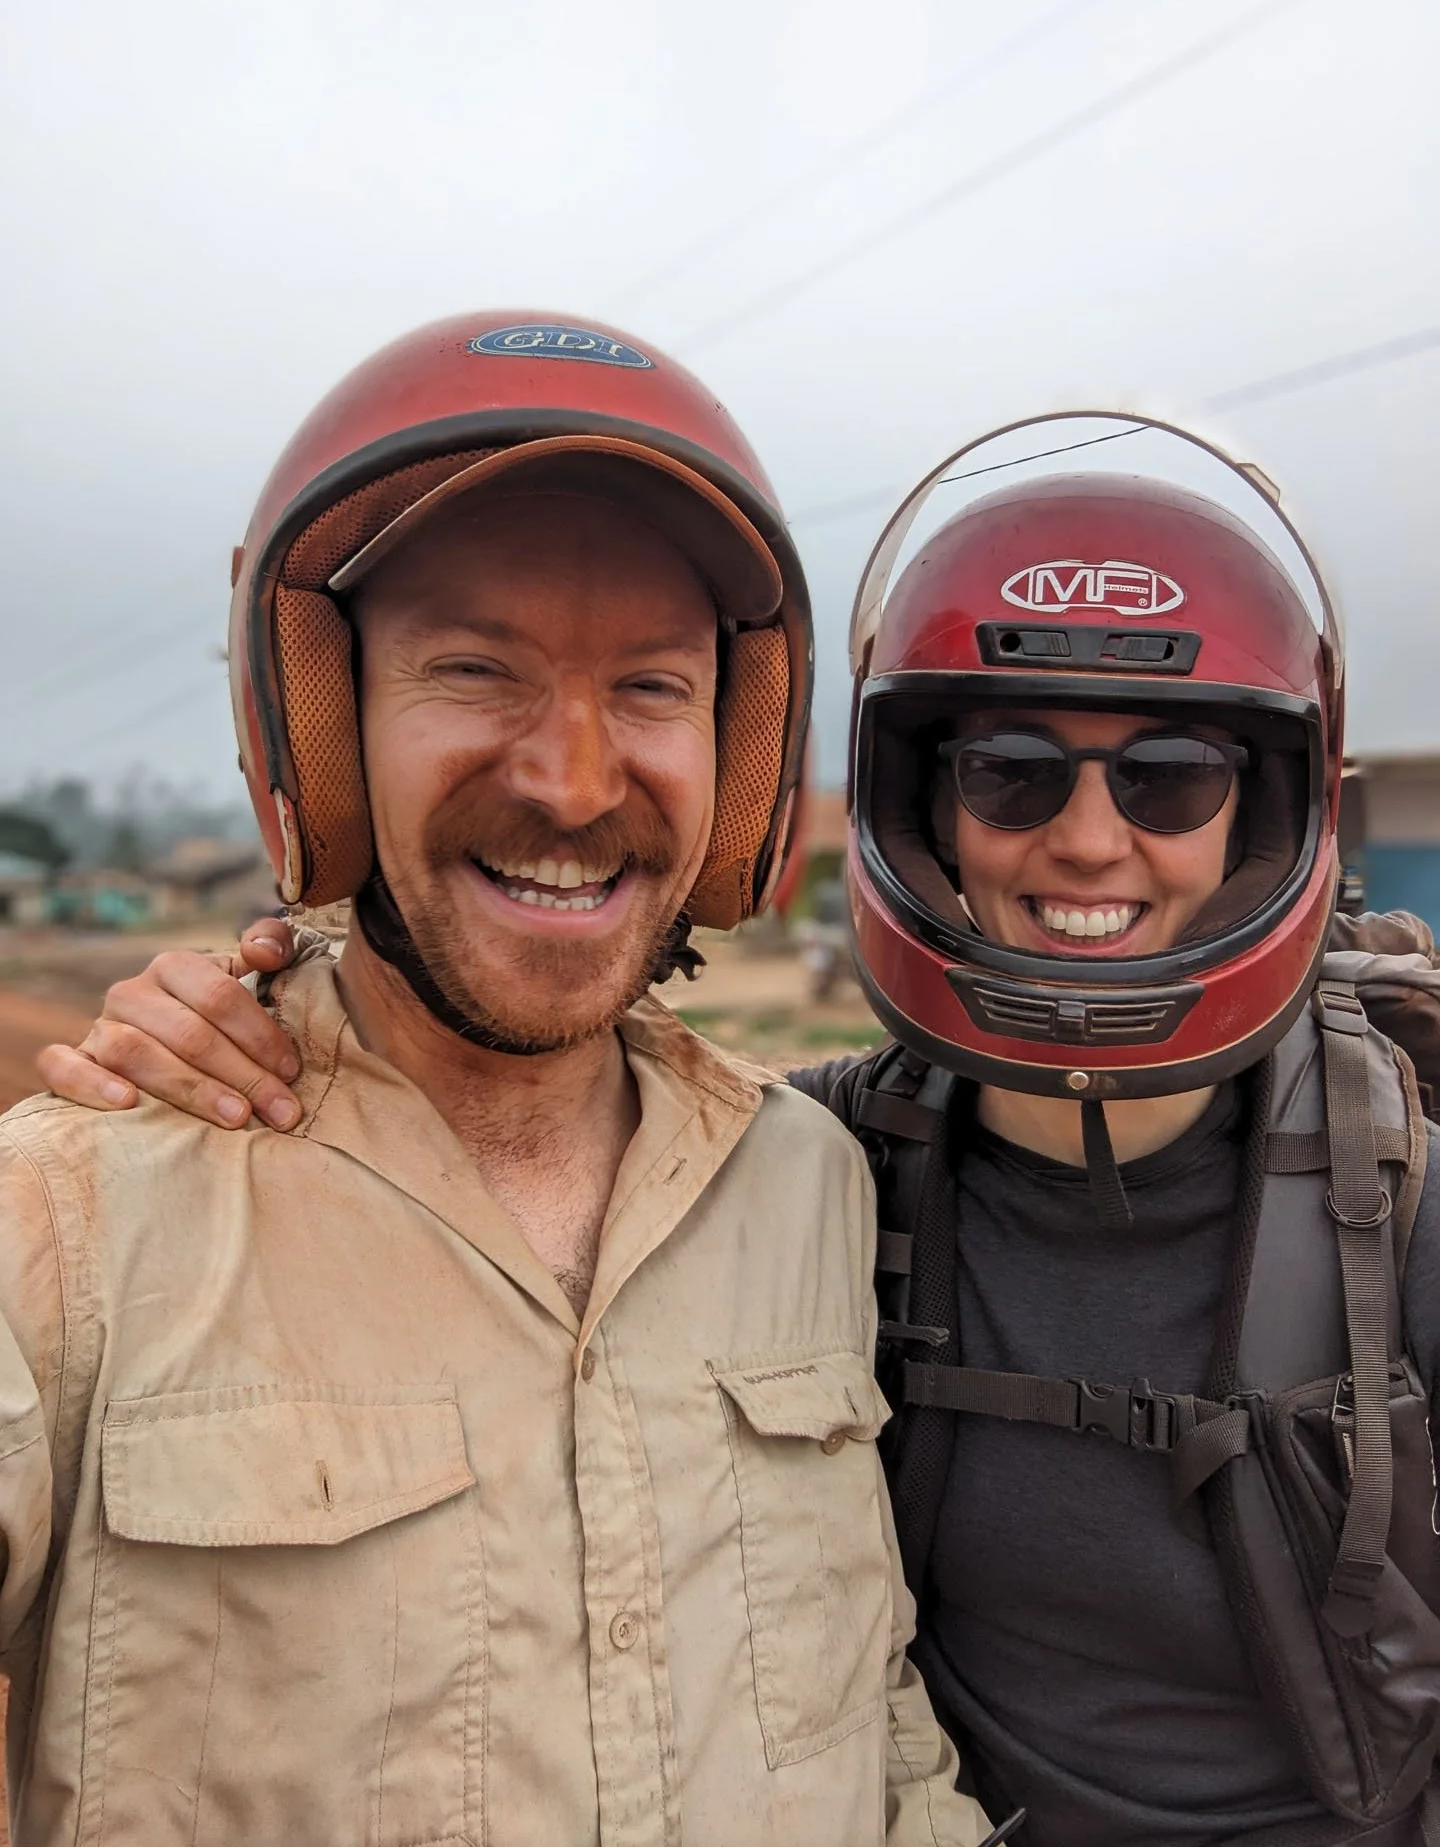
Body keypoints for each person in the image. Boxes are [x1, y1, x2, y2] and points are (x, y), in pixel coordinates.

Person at [49, 425, 1440, 1845]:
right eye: (1012, 769)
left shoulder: (1395, 1201)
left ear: (1261, 816)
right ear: (930, 808)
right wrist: (245, 1004)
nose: (1088, 840)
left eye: (1174, 777)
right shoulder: (828, 1157)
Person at [0, 313, 993, 1846]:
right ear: (320, 741)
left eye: (654, 689)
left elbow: (867, 1712)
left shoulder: (807, 1186)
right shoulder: (73, 1215)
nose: (573, 779)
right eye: (474, 670)